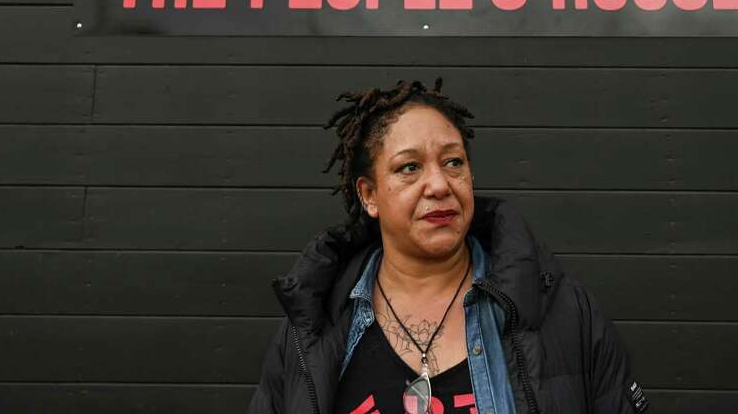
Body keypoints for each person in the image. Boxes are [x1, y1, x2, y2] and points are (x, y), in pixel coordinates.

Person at [248, 78, 648, 414]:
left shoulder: (563, 311)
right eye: (410, 167)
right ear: (369, 195)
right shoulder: (313, 325)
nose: (439, 185)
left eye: (453, 162)